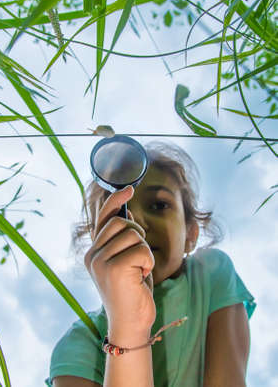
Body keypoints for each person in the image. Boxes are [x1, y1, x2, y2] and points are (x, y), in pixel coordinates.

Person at [46, 140, 256, 387]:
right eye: (118, 214)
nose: (138, 225)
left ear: (191, 234)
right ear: (96, 247)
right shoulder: (79, 343)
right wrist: (128, 324)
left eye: (159, 205)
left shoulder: (209, 273)